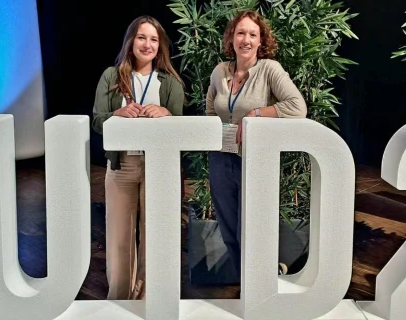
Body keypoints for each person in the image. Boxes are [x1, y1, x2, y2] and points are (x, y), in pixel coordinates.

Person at [205, 10, 307, 280]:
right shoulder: (219, 72)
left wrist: (256, 114)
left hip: (254, 161)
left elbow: (298, 107)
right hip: (219, 159)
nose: (246, 39)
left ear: (261, 40)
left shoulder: (269, 70)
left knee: (252, 228)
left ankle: (262, 283)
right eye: (240, 33)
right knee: (228, 228)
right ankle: (245, 287)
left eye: (252, 34)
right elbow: (208, 112)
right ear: (232, 38)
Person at [91, 15, 185, 300]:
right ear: (131, 42)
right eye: (142, 37)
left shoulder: (170, 82)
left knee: (153, 238)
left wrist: (167, 114)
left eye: (154, 39)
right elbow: (97, 121)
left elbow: (181, 129)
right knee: (119, 239)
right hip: (121, 166)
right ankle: (119, 303)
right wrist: (116, 115)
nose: (148, 44)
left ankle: (147, 303)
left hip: (158, 167)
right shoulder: (112, 75)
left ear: (161, 46)